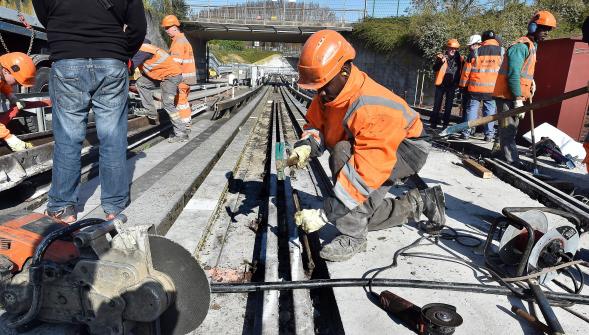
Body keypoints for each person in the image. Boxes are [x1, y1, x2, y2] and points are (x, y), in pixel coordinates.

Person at [290, 30, 446, 262]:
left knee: (349, 187)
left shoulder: (370, 106)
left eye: (323, 86)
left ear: (344, 70)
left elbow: (365, 172)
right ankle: (420, 202)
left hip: (406, 148)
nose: (319, 93)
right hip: (375, 146)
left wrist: (326, 214)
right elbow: (316, 125)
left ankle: (353, 238)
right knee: (357, 210)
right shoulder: (330, 94)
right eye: (316, 88)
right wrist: (307, 145)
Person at [33, 0, 147, 223]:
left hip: (67, 61)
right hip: (111, 62)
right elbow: (138, 28)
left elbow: (44, 16)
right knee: (113, 138)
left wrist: (67, 37)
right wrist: (119, 52)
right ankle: (114, 206)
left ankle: (63, 208)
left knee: (68, 138)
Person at [493, 11, 556, 168]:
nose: (547, 34)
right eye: (544, 29)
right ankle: (511, 163)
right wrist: (518, 99)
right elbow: (513, 75)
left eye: (549, 30)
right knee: (508, 130)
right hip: (507, 96)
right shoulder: (521, 46)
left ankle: (498, 155)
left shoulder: (532, 46)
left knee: (509, 130)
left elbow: (522, 72)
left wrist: (530, 81)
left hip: (514, 95)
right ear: (533, 27)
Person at [132, 39, 187, 142]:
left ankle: (181, 133)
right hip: (160, 76)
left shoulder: (142, 50)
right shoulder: (147, 48)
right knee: (141, 83)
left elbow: (129, 68)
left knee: (168, 105)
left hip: (171, 77)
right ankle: (151, 111)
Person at [459, 30, 502, 141]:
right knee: (490, 112)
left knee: (472, 110)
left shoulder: (475, 52)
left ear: (483, 39)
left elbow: (466, 71)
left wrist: (462, 85)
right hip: (492, 89)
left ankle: (466, 133)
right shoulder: (502, 52)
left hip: (475, 88)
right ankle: (488, 135)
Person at [161, 14, 197, 133]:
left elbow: (174, 65)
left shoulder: (178, 43)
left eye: (167, 28)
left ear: (175, 27)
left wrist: (165, 76)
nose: (166, 31)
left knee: (180, 103)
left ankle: (184, 127)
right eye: (165, 28)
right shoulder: (182, 40)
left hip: (180, 79)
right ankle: (187, 124)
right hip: (187, 79)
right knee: (184, 103)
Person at [0, 52, 35, 152]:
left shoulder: (2, 72)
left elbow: (2, 83)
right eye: (16, 80)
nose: (17, 84)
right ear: (6, 71)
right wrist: (9, 138)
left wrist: (11, 96)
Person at [430, 39, 463, 129]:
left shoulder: (459, 59)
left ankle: (445, 124)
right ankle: (433, 123)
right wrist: (441, 62)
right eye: (451, 48)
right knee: (437, 104)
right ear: (447, 48)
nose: (453, 50)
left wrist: (459, 84)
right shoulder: (441, 57)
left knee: (448, 106)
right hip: (441, 84)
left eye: (455, 49)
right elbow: (435, 68)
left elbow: (461, 71)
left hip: (452, 85)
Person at [459, 35, 482, 134]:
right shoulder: (485, 53)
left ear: (476, 44)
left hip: (470, 86)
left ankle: (465, 130)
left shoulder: (472, 55)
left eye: (471, 45)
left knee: (469, 108)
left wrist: (462, 86)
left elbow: (466, 72)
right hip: (483, 87)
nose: (469, 47)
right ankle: (472, 129)